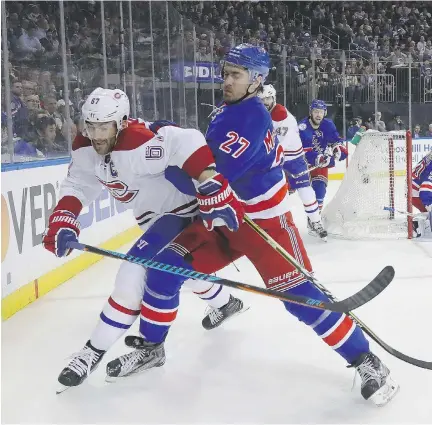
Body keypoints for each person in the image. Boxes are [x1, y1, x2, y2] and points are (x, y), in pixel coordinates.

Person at [106, 45, 398, 406]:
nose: (226, 81)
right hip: (222, 221)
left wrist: (162, 161)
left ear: (257, 80)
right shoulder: (226, 111)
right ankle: (152, 346)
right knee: (165, 270)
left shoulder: (252, 117)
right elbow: (205, 160)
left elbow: (209, 179)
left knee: (301, 301)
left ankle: (366, 360)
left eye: (235, 75)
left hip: (265, 226)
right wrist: (165, 135)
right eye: (226, 73)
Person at [42, 88, 245, 392]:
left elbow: (186, 138)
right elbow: (79, 182)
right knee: (177, 273)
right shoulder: (85, 146)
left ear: (121, 122)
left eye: (104, 126)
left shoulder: (138, 141)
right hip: (154, 219)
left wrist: (208, 181)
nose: (96, 134)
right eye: (91, 125)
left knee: (131, 276)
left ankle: (94, 351)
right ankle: (226, 302)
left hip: (184, 211)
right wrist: (63, 216)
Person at [258, 84, 327, 240]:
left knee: (306, 191)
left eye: (268, 99)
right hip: (274, 158)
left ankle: (316, 222)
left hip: (293, 159)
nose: (265, 102)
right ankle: (271, 224)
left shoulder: (283, 116)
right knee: (273, 193)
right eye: (261, 99)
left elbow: (282, 144)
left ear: (274, 98)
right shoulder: (259, 114)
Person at [298, 100, 348, 214]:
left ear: (325, 113)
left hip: (321, 163)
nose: (318, 114)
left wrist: (338, 148)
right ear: (310, 112)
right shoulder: (303, 127)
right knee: (285, 190)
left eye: (321, 112)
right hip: (301, 164)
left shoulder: (328, 125)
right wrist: (319, 158)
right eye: (316, 111)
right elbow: (305, 151)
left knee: (320, 191)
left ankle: (315, 219)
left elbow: (335, 140)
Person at [412, 151, 432, 237]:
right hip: (416, 193)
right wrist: (430, 206)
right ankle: (419, 222)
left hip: (415, 186)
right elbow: (425, 190)